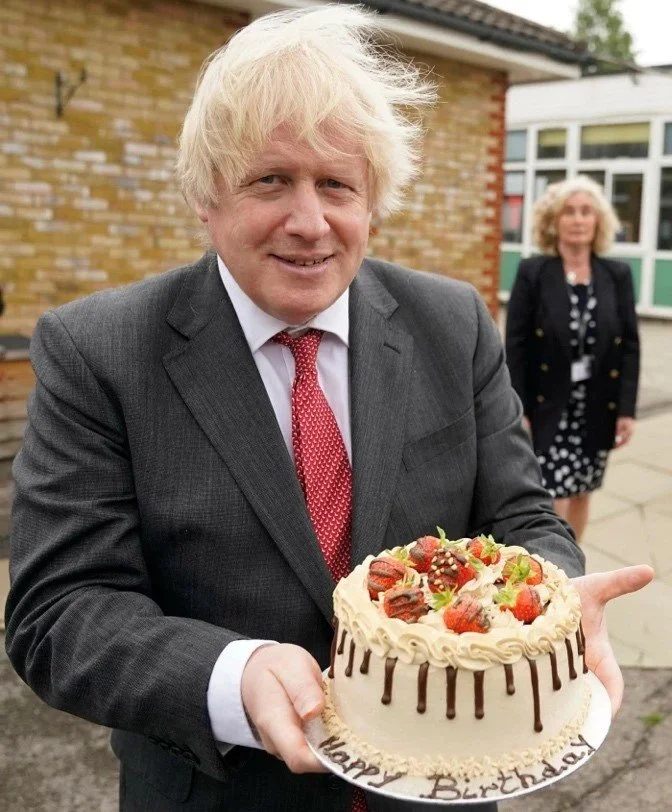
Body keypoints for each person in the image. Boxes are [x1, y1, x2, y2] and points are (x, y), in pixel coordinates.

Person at [5, 8, 652, 812]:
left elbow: (523, 516)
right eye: (270, 180)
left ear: (373, 199)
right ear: (206, 194)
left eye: (337, 184)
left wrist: (552, 604)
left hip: (446, 782)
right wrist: (233, 674)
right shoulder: (98, 351)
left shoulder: (452, 324)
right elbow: (60, 612)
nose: (310, 222)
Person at [505, 176, 640, 541]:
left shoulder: (616, 274)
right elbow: (516, 345)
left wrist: (626, 409)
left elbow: (629, 344)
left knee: (582, 489)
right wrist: (519, 407)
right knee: (551, 494)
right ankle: (555, 562)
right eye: (569, 211)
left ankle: (573, 560)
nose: (578, 219)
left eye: (586, 211)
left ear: (598, 221)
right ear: (554, 220)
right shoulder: (534, 272)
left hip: (596, 403)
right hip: (549, 403)